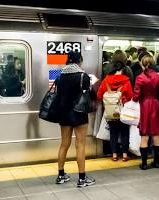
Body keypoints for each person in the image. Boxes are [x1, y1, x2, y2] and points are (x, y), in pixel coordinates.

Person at [56, 51, 96, 187]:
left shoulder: (60, 76)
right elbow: (90, 95)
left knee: (64, 144)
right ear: (79, 60)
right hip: (79, 114)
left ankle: (61, 176)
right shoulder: (83, 76)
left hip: (64, 114)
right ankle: (82, 179)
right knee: (80, 145)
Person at [133, 54, 159, 170]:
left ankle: (144, 163)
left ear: (142, 63)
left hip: (145, 106)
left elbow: (136, 96)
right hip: (156, 105)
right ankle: (156, 162)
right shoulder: (158, 76)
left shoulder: (140, 77)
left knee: (144, 135)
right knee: (156, 135)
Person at [97, 61, 133, 161]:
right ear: (122, 70)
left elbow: (99, 96)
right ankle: (125, 155)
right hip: (123, 111)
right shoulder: (126, 81)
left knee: (113, 133)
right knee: (125, 132)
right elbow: (130, 96)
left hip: (111, 112)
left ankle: (114, 155)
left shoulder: (106, 80)